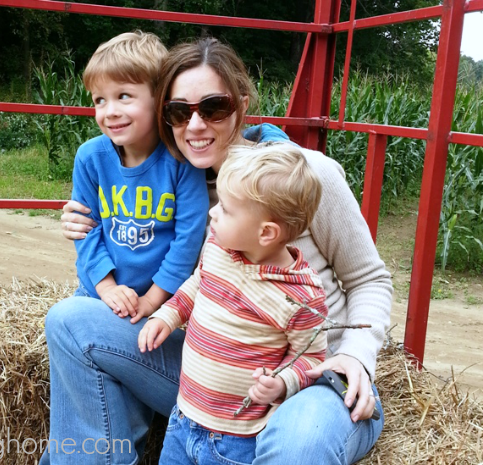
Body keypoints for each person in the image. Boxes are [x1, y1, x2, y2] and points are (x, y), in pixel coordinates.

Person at [48, 37, 392, 465]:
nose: (194, 126)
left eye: (212, 108)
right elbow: (134, 243)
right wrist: (87, 223)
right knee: (68, 321)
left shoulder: (301, 176)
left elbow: (369, 278)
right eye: (178, 111)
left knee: (296, 445)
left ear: (241, 105)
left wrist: (355, 356)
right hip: (214, 373)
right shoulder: (174, 184)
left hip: (311, 374)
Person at [38, 32, 207, 464]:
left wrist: (153, 300)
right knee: (88, 357)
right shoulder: (91, 158)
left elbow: (188, 240)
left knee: (101, 359)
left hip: (160, 309)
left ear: (159, 99)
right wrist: (107, 286)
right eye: (99, 100)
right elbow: (86, 229)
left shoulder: (178, 162)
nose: (109, 111)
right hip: (102, 296)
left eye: (125, 96)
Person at [138, 143, 328, 465]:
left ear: (266, 233)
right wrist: (168, 316)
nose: (213, 211)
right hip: (183, 417)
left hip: (235, 441)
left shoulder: (300, 297)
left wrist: (282, 383)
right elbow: (198, 284)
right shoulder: (217, 248)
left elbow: (311, 357)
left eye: (225, 209)